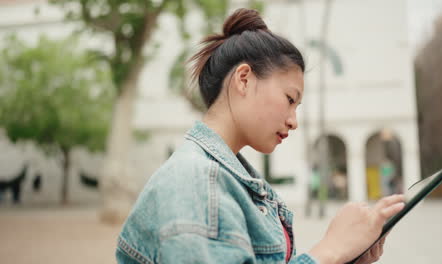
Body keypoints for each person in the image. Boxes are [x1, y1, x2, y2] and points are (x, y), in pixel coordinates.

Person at [116, 8, 405, 264]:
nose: (294, 122)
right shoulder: (198, 181)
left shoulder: (226, 178)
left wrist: (345, 256)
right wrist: (328, 251)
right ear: (244, 79)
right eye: (290, 99)